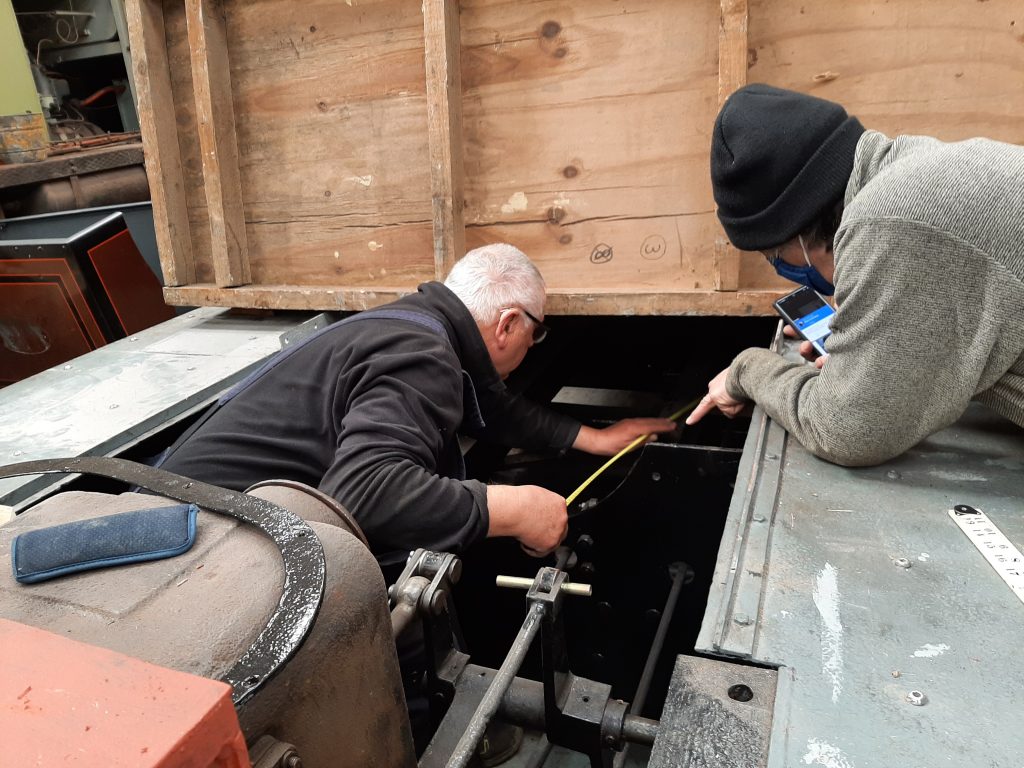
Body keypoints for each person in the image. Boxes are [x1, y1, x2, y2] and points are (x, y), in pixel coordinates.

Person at [158, 243, 675, 569]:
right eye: (535, 334)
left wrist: (595, 438)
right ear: (509, 324)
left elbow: (490, 405)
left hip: (177, 519)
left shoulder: (414, 327)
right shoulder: (423, 355)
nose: (531, 345)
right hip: (196, 550)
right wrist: (513, 509)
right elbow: (362, 493)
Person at [686, 83, 1024, 466]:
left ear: (797, 225)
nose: (784, 271)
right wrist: (870, 340)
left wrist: (747, 370)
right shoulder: (915, 169)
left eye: (775, 255)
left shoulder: (891, 219)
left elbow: (846, 432)